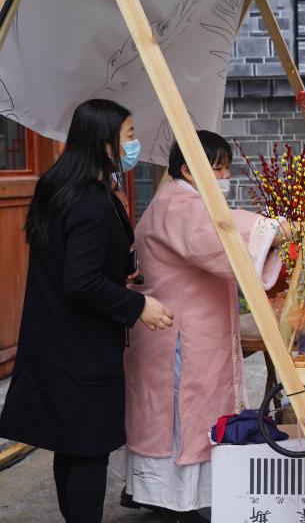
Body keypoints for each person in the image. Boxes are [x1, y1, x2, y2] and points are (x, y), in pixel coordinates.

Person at [0, 99, 173, 523]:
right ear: (104, 143)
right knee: (90, 451)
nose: (133, 145)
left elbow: (72, 265)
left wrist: (119, 274)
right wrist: (138, 306)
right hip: (81, 348)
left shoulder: (59, 186)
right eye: (129, 136)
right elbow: (81, 282)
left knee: (70, 444)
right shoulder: (90, 202)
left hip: (52, 339)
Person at [122, 131, 285, 518]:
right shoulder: (179, 204)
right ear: (186, 169)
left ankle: (179, 496)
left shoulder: (185, 200)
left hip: (192, 329)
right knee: (184, 418)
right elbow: (218, 236)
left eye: (227, 166)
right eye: (217, 167)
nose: (225, 174)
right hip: (179, 334)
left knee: (195, 412)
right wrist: (274, 229)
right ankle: (175, 499)